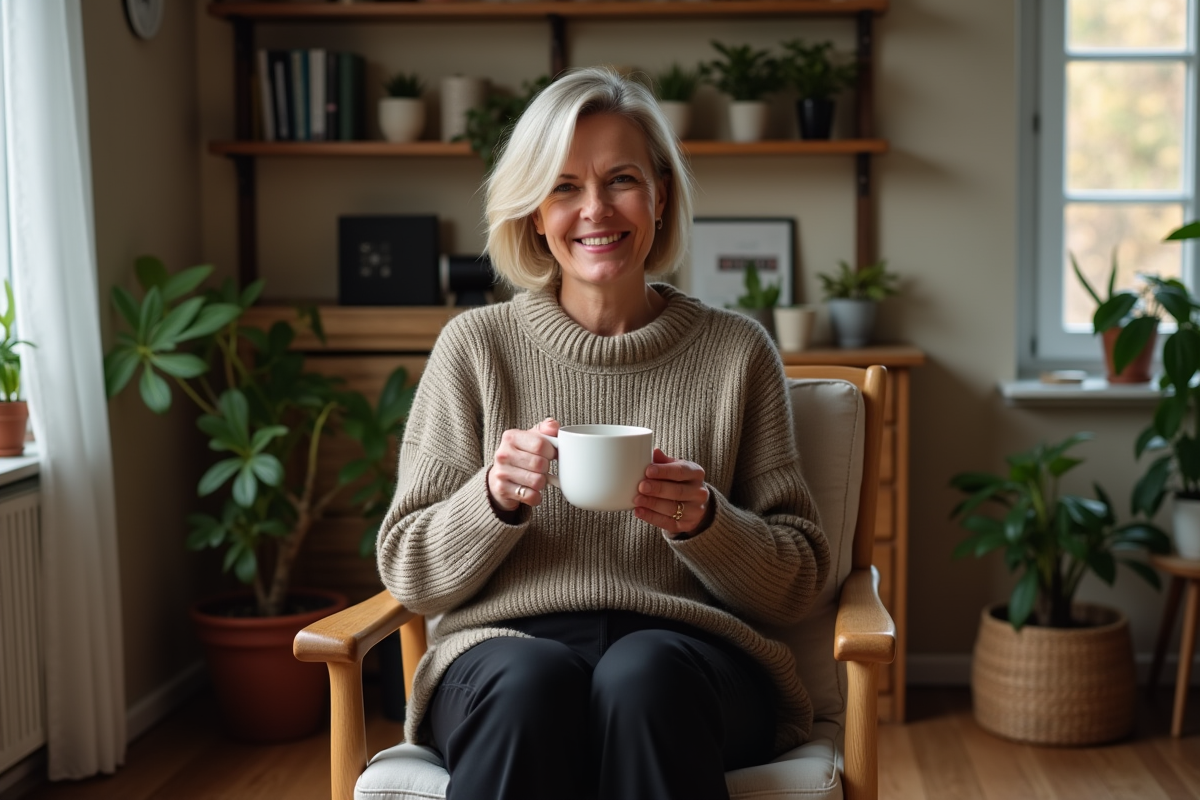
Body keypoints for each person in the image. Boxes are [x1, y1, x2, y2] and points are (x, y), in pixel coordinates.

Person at [376, 65, 830, 800]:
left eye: (620, 179)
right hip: (504, 656)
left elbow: (799, 583)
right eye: (563, 187)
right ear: (532, 212)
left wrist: (706, 522)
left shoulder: (737, 353)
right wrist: (489, 502)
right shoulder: (475, 348)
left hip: (689, 661)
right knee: (532, 682)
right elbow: (406, 570)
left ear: (660, 196)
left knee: (641, 672)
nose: (595, 209)